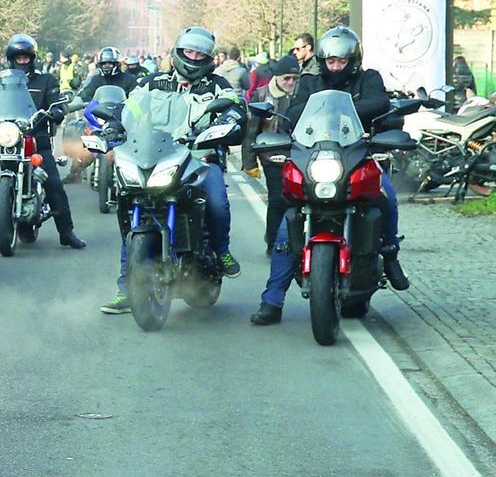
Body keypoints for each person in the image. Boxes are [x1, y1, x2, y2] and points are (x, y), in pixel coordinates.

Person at [251, 26, 406, 325]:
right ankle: (272, 300)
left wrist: (343, 112)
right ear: (322, 61)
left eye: (341, 61)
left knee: (387, 195)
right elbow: (294, 112)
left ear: (354, 60)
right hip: (315, 158)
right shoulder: (310, 81)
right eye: (331, 61)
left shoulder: (369, 79)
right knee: (287, 226)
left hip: (358, 155)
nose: (336, 67)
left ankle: (390, 256)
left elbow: (379, 103)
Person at [101, 26, 243, 314]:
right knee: (133, 211)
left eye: (200, 54)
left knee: (217, 202)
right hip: (153, 155)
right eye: (188, 52)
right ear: (178, 52)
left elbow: (235, 106)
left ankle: (222, 251)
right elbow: (131, 107)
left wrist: (229, 121)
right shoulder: (152, 82)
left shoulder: (217, 85)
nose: (193, 58)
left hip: (199, 157)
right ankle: (126, 289)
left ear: (209, 58)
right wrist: (115, 123)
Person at [0, 34, 86, 249]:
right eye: (18, 57)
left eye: (25, 57)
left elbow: (57, 102)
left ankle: (66, 232)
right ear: (11, 59)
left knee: (53, 183)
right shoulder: (0, 81)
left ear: (32, 58)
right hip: (7, 141)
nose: (22, 60)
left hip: (36, 141)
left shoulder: (46, 80)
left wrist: (57, 110)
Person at [241, 54, 300, 250]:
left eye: (294, 78)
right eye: (286, 78)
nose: (290, 82)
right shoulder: (261, 94)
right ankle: (273, 241)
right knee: (277, 199)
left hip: (299, 154)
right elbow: (251, 131)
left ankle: (297, 240)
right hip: (271, 154)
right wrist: (249, 162)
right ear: (277, 77)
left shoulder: (302, 94)